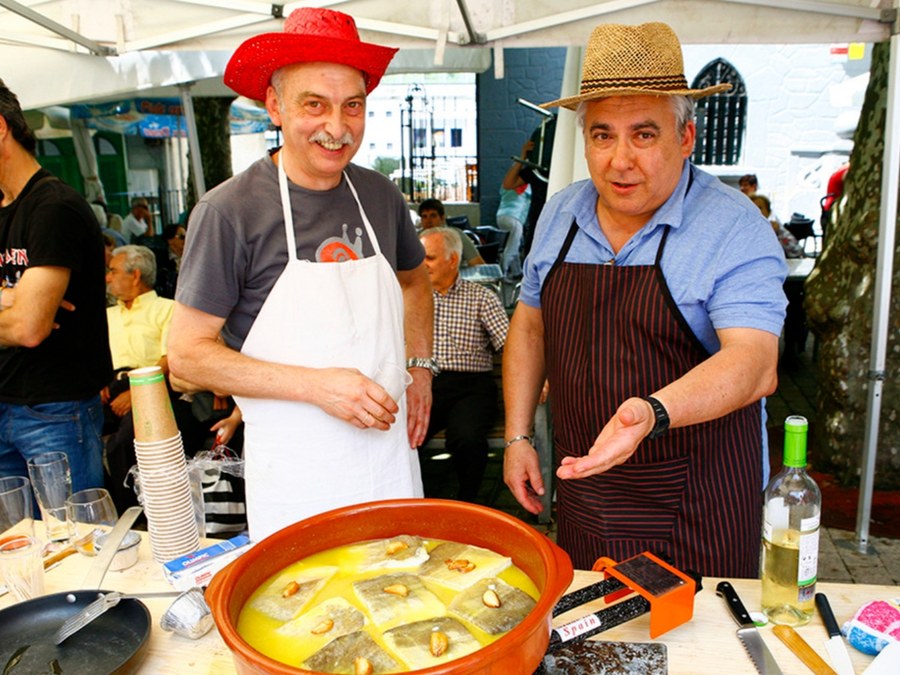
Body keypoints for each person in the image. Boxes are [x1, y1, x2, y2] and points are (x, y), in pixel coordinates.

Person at [502, 22, 787, 578]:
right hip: (588, 484)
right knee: (594, 646)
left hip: (699, 499)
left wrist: (651, 413)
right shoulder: (560, 213)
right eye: (603, 135)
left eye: (644, 134)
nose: (619, 160)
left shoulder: (733, 226)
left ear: (686, 137)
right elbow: (530, 326)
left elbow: (754, 365)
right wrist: (517, 434)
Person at [167, 7, 434, 541]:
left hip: (388, 463)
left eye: (352, 106)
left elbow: (414, 281)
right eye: (315, 104)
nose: (337, 128)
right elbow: (187, 355)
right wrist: (318, 387)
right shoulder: (229, 211)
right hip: (296, 474)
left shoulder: (379, 195)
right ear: (275, 106)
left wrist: (420, 366)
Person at [0, 78, 112, 491]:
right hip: (6, 400)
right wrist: (10, 299)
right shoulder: (6, 208)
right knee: (14, 546)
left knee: (73, 542)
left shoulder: (53, 207)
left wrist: (20, 307)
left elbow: (29, 328)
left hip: (54, 408)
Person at [418, 227, 509, 501]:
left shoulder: (481, 297)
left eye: (430, 258)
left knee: (467, 438)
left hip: (472, 387)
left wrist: (538, 379)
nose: (422, 264)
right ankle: (416, 501)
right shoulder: (412, 298)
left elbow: (508, 343)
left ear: (453, 260)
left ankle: (468, 501)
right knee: (404, 437)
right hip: (425, 382)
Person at [495, 142, 533, 279]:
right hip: (514, 217)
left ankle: (516, 271)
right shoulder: (525, 187)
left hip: (501, 216)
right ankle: (502, 273)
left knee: (515, 243)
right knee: (512, 246)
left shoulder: (505, 186)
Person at [417, 198, 485, 267]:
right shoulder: (416, 238)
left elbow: (478, 264)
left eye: (433, 216)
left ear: (442, 218)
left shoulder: (457, 236)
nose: (429, 221)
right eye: (424, 216)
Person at [749, 194, 803, 259]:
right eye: (753, 208)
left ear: (769, 212)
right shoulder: (743, 232)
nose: (756, 211)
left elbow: (797, 251)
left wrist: (779, 232)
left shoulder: (776, 230)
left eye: (760, 208)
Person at [155, 223, 185, 298]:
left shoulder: (192, 255)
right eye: (182, 237)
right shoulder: (160, 260)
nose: (186, 239)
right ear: (170, 240)